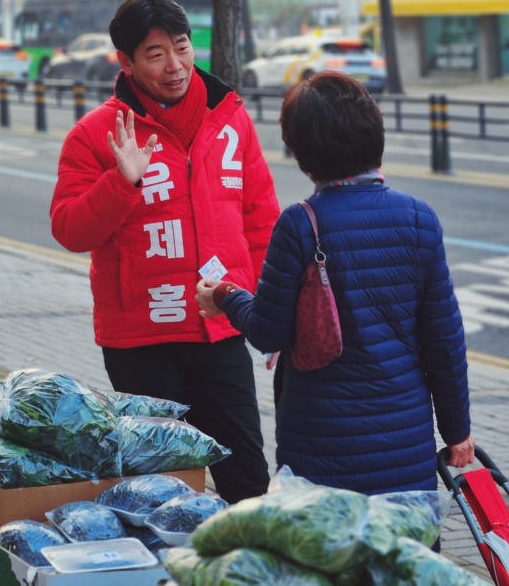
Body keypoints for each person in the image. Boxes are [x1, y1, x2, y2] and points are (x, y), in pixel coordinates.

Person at [196, 70, 474, 497]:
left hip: (320, 443)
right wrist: (457, 431)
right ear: (373, 134)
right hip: (405, 438)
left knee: (327, 557)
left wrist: (225, 295)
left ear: (303, 155)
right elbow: (444, 338)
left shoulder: (299, 224)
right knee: (406, 558)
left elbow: (268, 331)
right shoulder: (419, 218)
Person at [51, 0, 280, 503]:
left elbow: (261, 221)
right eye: (155, 55)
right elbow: (69, 229)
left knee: (247, 479)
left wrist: (272, 314)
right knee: (160, 492)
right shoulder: (95, 136)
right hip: (141, 344)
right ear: (126, 63)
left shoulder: (231, 120)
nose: (174, 65)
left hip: (223, 327)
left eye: (181, 47)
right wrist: (120, 181)